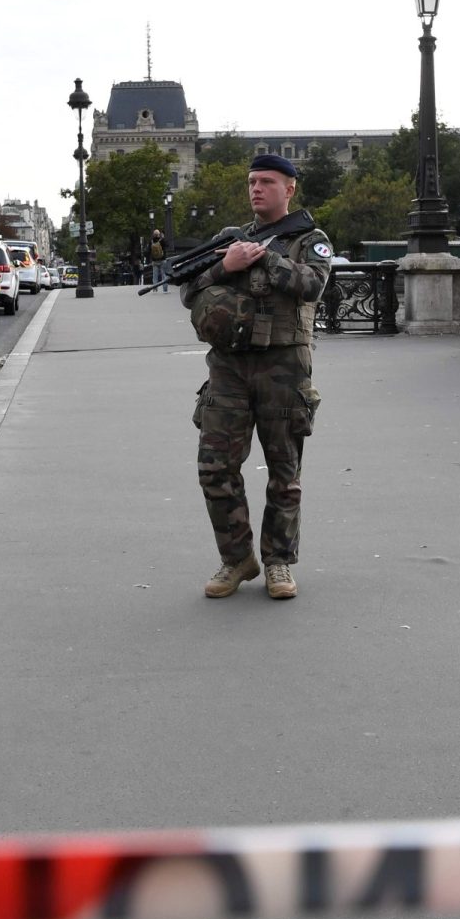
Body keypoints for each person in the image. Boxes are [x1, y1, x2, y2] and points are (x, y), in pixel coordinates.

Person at [178, 153, 332, 600]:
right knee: (215, 468)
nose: (256, 188)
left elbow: (312, 286)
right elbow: (190, 289)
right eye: (251, 181)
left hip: (284, 366)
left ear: (290, 189)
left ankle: (278, 562)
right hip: (227, 366)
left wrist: (261, 260)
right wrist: (227, 265)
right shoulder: (229, 240)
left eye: (266, 181)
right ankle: (237, 559)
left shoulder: (310, 238)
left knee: (284, 471)